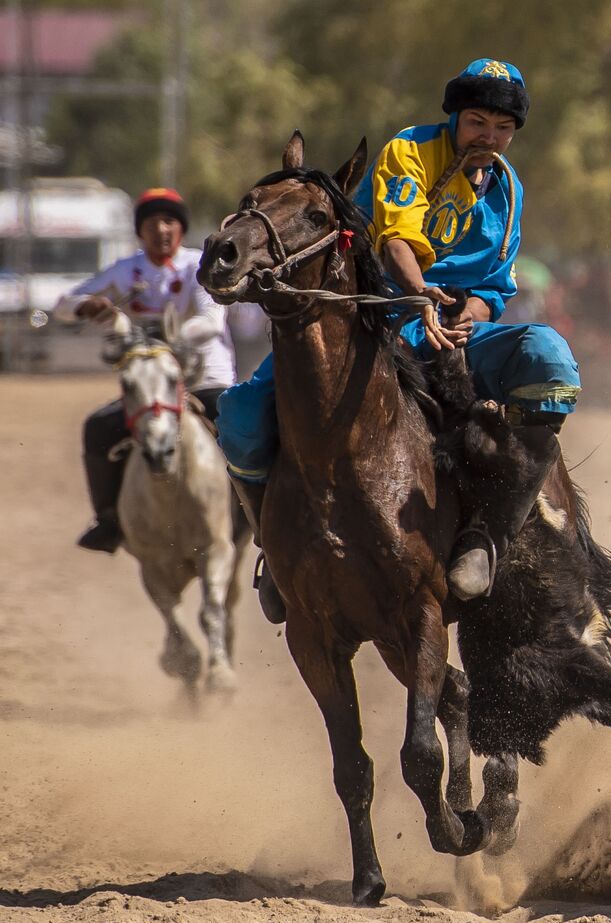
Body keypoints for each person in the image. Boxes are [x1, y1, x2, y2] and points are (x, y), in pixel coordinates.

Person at [217, 58, 579, 618]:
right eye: (478, 122)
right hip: (376, 318)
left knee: (550, 359)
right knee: (240, 418)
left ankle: (488, 535)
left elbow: (495, 282)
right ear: (457, 117)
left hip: (457, 328)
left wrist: (471, 314)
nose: (490, 137)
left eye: (503, 128)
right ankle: (276, 549)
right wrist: (420, 297)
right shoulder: (409, 151)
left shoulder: (509, 189)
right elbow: (397, 243)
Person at [54, 187, 232, 553]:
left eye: (169, 221)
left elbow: (212, 322)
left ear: (180, 228)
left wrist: (172, 340)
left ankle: (261, 518)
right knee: (98, 428)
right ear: (140, 230)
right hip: (153, 390)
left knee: (247, 432)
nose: (162, 229)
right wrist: (86, 305)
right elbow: (61, 306)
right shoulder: (127, 270)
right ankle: (108, 520)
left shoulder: (199, 265)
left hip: (206, 381)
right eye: (152, 222)